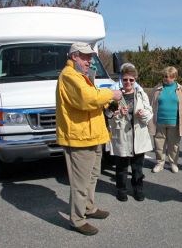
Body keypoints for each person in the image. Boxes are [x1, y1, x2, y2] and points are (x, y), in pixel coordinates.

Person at [56, 42, 122, 236]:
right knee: (80, 182)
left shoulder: (81, 76)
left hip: (92, 135)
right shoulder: (69, 76)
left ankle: (88, 207)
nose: (89, 60)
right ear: (74, 56)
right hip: (79, 138)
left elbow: (93, 101)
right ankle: (77, 220)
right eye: (85, 57)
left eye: (90, 57)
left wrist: (109, 105)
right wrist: (112, 94)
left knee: (92, 177)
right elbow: (87, 99)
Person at [106, 63, 153, 202]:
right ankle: (121, 190)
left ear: (135, 80)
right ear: (121, 79)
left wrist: (143, 113)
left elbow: (149, 112)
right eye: (125, 79)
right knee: (121, 167)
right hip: (122, 135)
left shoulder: (141, 93)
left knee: (137, 167)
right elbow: (108, 114)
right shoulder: (115, 95)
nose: (128, 82)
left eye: (131, 80)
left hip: (138, 136)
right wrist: (118, 113)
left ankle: (138, 189)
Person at [150, 66, 182, 173]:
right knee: (159, 145)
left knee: (174, 145)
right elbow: (152, 104)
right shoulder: (157, 89)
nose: (165, 78)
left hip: (175, 122)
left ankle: (173, 163)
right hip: (159, 122)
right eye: (164, 76)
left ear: (174, 77)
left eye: (167, 77)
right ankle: (159, 163)